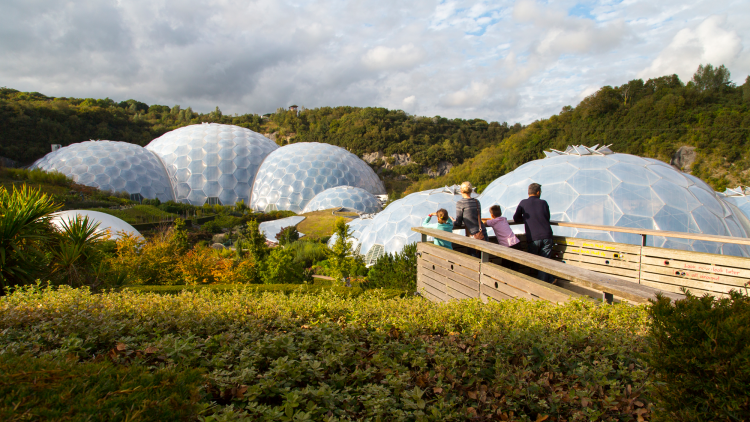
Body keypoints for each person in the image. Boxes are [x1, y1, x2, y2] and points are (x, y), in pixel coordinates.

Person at [513, 183, 555, 284]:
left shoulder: (523, 203)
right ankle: (548, 281)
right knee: (545, 261)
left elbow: (515, 218)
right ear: (538, 192)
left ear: (529, 192)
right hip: (547, 235)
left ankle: (542, 284)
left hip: (533, 237)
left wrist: (527, 219)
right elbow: (547, 217)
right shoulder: (543, 203)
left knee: (535, 262)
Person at [453, 181, 487, 258]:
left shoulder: (460, 203)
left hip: (473, 236)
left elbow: (458, 222)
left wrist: (453, 221)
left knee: (474, 260)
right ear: (471, 190)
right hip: (483, 233)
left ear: (461, 191)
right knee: (484, 259)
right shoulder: (476, 201)